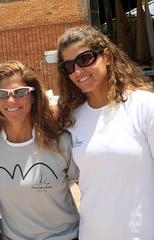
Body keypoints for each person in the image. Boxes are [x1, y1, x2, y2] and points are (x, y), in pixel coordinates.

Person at [56, 25, 154, 239]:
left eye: (85, 59)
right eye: (69, 66)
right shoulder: (72, 120)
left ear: (107, 57)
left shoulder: (144, 107)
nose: (78, 72)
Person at [0, 60, 79, 240]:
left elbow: (90, 190)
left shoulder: (60, 142)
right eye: (2, 94)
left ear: (34, 96)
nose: (11, 100)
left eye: (20, 92)